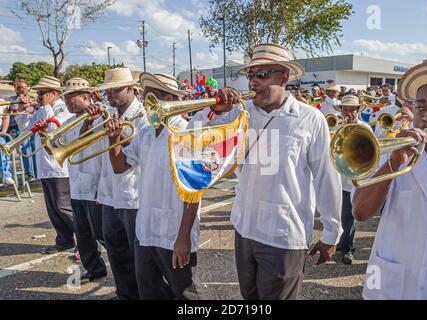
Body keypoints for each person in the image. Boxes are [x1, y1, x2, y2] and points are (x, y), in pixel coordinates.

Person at [189, 43, 342, 300]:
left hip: (283, 235)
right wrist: (214, 110)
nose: (253, 82)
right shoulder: (240, 113)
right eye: (250, 75)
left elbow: (327, 177)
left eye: (261, 75)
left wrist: (331, 232)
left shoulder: (310, 118)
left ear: (283, 76)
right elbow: (193, 136)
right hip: (245, 228)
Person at [352, 60, 427, 299]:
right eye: (420, 108)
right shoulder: (398, 157)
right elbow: (360, 212)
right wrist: (393, 163)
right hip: (391, 289)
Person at [107, 72, 206, 300]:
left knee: (187, 294)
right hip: (145, 230)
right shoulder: (145, 132)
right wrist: (114, 140)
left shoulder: (186, 132)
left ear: (170, 98)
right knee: (149, 292)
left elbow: (194, 190)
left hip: (173, 231)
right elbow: (120, 167)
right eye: (146, 98)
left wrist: (183, 238)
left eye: (154, 98)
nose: (147, 104)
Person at [91, 68, 147, 299]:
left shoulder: (143, 116)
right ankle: (126, 294)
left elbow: (140, 151)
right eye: (107, 90)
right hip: (109, 194)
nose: (110, 94)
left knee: (139, 256)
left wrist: (120, 135)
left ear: (131, 89)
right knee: (115, 251)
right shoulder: (109, 114)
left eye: (115, 89)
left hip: (133, 196)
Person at [16, 76, 75, 254]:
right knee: (52, 208)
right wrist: (22, 110)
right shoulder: (42, 110)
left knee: (62, 206)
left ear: (54, 94)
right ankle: (64, 240)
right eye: (39, 93)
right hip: (44, 165)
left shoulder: (64, 109)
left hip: (59, 167)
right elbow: (24, 128)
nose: (39, 96)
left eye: (42, 93)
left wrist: (47, 108)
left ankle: (86, 238)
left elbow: (57, 131)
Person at [61, 78, 107, 283]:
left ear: (86, 97)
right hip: (77, 185)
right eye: (66, 98)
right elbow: (59, 148)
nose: (68, 102)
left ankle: (130, 270)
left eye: (72, 97)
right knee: (83, 235)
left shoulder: (102, 117)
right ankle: (94, 268)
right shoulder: (67, 123)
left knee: (104, 235)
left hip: (96, 184)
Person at [333, 95, 372, 265]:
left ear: (358, 110)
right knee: (335, 214)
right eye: (345, 109)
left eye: (352, 109)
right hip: (335, 177)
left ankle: (347, 248)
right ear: (341, 110)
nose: (349, 113)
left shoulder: (365, 128)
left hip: (352, 179)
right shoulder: (335, 127)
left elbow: (370, 152)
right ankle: (335, 243)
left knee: (349, 216)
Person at [9, 79, 38, 179]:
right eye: (21, 87)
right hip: (21, 128)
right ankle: (29, 173)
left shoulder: (33, 98)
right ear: (17, 89)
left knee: (35, 148)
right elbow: (14, 108)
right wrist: (24, 102)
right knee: (26, 150)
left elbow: (34, 109)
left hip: (33, 127)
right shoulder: (13, 99)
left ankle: (37, 171)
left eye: (25, 87)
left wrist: (29, 103)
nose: (23, 89)